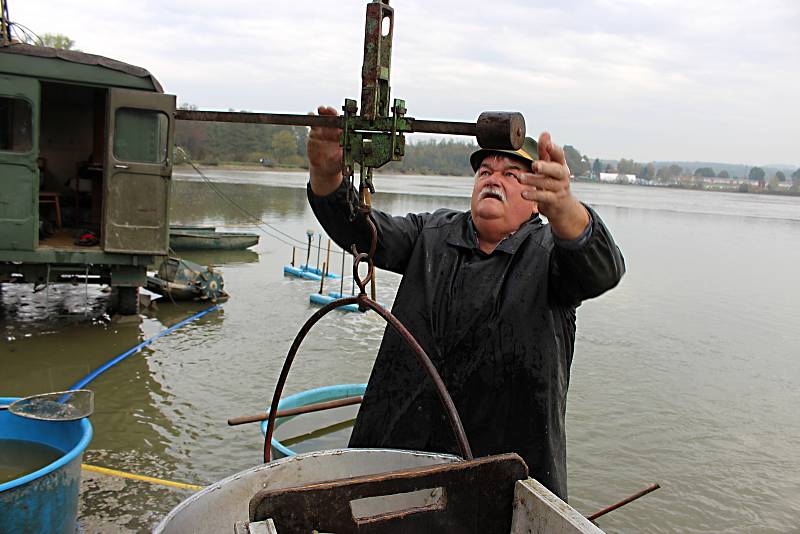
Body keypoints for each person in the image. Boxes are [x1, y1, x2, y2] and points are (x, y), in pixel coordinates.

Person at [306, 106, 625, 500]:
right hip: (396, 464)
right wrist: (326, 177)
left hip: (505, 484)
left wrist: (567, 211)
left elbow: (602, 270)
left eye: (512, 174)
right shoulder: (432, 233)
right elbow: (364, 231)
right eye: (485, 172)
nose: (494, 180)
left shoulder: (550, 256)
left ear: (538, 201)